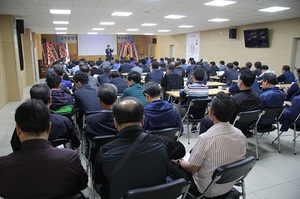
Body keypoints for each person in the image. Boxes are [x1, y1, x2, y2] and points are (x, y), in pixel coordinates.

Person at [92, 98, 186, 199]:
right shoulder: (162, 142)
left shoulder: (104, 151)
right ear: (143, 119)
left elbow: (98, 179)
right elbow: (181, 151)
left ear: (115, 122)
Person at [1, 99, 88, 198]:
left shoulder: (3, 166)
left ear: (18, 130)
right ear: (49, 127)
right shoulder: (69, 157)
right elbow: (82, 184)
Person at [168, 92, 247, 198]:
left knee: (169, 163)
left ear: (211, 112)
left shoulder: (205, 138)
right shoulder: (241, 135)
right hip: (228, 185)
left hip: (206, 189)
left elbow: (193, 168)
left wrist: (179, 161)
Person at [10, 83, 80, 151]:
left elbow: (15, 146)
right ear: (50, 100)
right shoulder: (63, 121)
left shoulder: (23, 124)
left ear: (32, 99)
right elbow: (76, 143)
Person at [200, 68, 261, 137]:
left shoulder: (234, 99)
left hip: (231, 127)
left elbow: (224, 116)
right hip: (248, 126)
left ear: (240, 82)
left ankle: (204, 144)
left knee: (205, 121)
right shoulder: (257, 97)